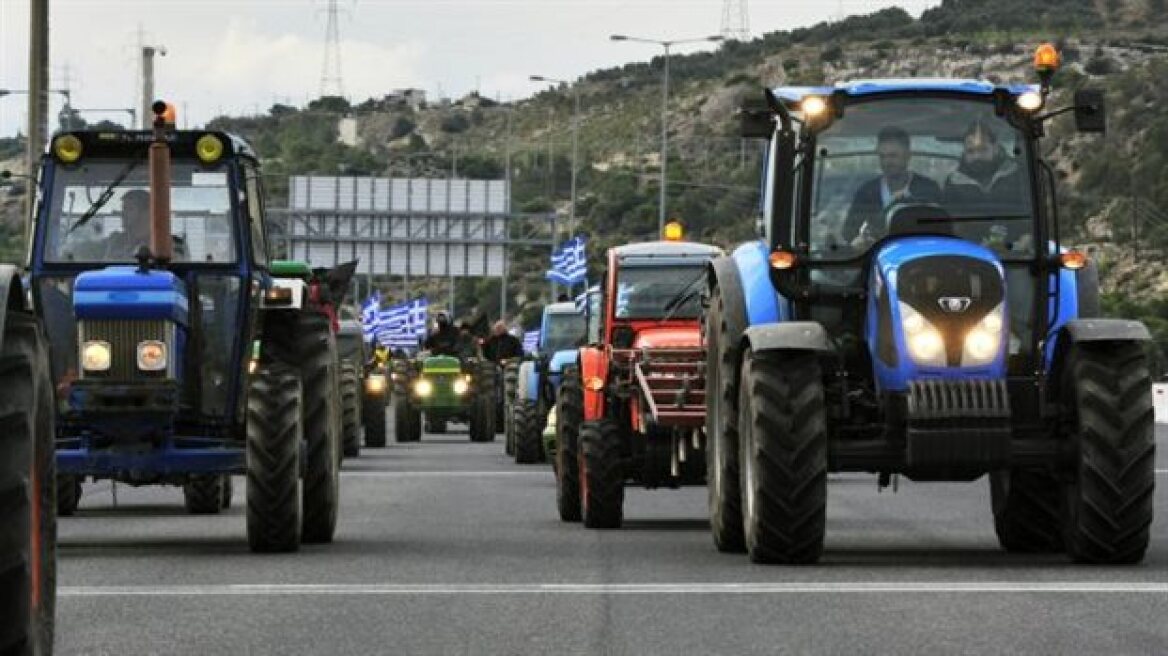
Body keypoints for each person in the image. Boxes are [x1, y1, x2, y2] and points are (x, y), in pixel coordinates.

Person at [842, 126, 942, 247]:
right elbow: (849, 232)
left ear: (908, 156)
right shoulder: (866, 192)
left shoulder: (928, 189)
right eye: (882, 157)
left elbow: (940, 228)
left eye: (893, 156)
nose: (887, 162)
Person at [943, 119, 1027, 218]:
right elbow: (950, 220)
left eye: (983, 149)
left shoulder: (1019, 175)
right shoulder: (954, 182)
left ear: (995, 148)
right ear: (964, 152)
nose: (977, 156)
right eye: (970, 151)